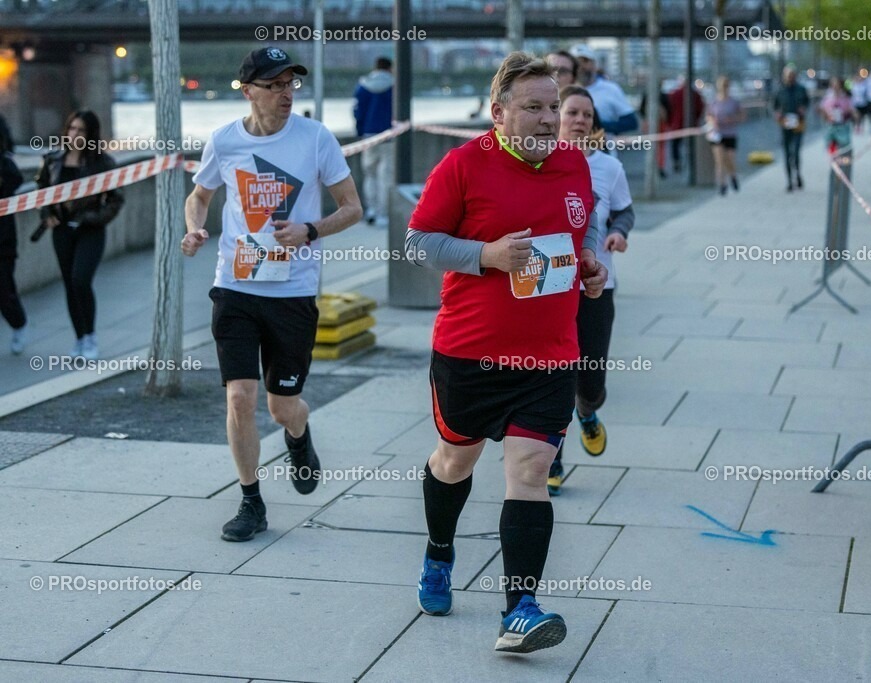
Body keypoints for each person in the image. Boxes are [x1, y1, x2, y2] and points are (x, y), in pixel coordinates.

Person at [404, 52, 607, 654]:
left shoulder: (575, 162)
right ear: (498, 114)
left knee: (529, 471)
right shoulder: (465, 165)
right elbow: (418, 242)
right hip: (471, 352)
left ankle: (520, 609)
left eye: (554, 108)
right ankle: (439, 553)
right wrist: (485, 256)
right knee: (454, 462)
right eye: (534, 108)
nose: (550, 120)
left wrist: (589, 267)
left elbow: (577, 235)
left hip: (549, 354)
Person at [181, 46, 363, 542]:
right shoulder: (224, 141)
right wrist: (195, 228)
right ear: (248, 90)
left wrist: (311, 229)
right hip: (235, 285)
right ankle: (250, 501)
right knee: (240, 398)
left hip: (292, 289)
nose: (286, 93)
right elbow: (199, 195)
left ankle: (299, 438)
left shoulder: (315, 137)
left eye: (291, 84)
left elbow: (352, 208)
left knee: (283, 407)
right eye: (275, 84)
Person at [547, 85, 634, 496]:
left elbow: (624, 210)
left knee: (590, 380)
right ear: (555, 117)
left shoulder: (608, 167)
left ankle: (588, 411)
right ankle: (553, 458)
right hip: (550, 288)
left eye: (587, 114)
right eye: (572, 113)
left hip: (598, 285)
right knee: (555, 376)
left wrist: (617, 232)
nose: (580, 120)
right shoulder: (539, 163)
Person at [35, 110, 124, 360]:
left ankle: (91, 337)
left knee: (80, 280)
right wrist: (46, 214)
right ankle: (79, 338)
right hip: (62, 230)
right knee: (69, 284)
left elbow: (116, 200)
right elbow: (41, 189)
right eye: (72, 128)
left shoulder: (102, 163)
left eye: (81, 130)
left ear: (91, 134)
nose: (75, 134)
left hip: (90, 229)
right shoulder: (53, 159)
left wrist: (93, 219)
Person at [353, 56, 394, 226]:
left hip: (368, 136)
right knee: (386, 176)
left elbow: (357, 111)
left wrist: (360, 131)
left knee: (370, 174)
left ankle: (371, 209)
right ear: (389, 68)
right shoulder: (394, 86)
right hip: (389, 137)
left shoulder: (363, 86)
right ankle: (383, 214)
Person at [570, 44, 638, 140]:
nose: (581, 66)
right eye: (576, 62)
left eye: (585, 61)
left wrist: (597, 125)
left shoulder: (611, 89)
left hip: (603, 149)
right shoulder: (565, 89)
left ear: (594, 64)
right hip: (569, 150)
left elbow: (631, 122)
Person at [0, 114, 27, 355]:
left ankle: (19, 324)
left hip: (3, 240)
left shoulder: (5, 165)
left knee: (4, 288)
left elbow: (15, 181)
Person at [706, 75, 745, 195]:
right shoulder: (714, 102)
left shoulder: (733, 102)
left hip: (730, 133)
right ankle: (722, 184)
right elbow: (708, 115)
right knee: (720, 159)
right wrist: (713, 122)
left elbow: (742, 115)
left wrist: (732, 119)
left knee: (730, 158)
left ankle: (733, 175)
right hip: (717, 134)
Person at [773, 66, 809, 192]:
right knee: (787, 152)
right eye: (788, 75)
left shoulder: (801, 89)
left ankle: (798, 173)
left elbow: (807, 102)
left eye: (792, 75)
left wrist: (803, 109)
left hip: (798, 122)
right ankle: (789, 180)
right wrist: (777, 113)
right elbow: (774, 106)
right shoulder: (780, 91)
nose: (790, 78)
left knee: (796, 151)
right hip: (786, 123)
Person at [668, 78, 705, 173]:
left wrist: (671, 121)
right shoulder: (695, 95)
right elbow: (700, 108)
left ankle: (677, 162)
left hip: (677, 124)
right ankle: (692, 162)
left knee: (675, 145)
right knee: (691, 145)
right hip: (691, 124)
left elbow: (669, 108)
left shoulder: (675, 94)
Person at [819, 76, 854, 157]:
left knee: (843, 151)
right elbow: (823, 110)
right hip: (831, 128)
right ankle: (834, 165)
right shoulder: (828, 97)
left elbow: (852, 111)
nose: (835, 86)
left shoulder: (845, 98)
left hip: (843, 128)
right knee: (832, 152)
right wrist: (826, 115)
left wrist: (850, 113)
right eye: (833, 84)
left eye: (836, 84)